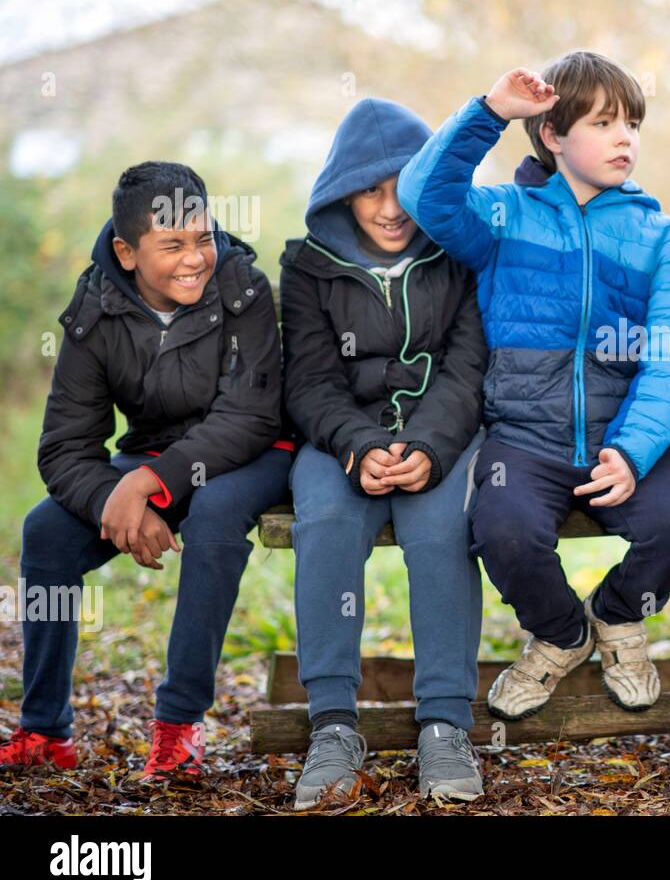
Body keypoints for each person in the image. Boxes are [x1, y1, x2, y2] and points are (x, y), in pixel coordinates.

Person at [397, 52, 670, 722]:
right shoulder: (503, 218)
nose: (625, 136)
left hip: (621, 437)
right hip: (524, 439)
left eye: (632, 122)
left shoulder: (659, 235)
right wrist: (488, 113)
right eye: (604, 122)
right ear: (552, 135)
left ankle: (617, 614)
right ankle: (563, 633)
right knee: (502, 530)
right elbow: (421, 195)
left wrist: (631, 451)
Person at [2, 162, 288, 780]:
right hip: (155, 455)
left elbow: (251, 415)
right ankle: (45, 729)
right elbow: (65, 446)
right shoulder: (95, 309)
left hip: (253, 454)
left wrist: (148, 484)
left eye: (203, 237)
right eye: (173, 246)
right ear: (127, 252)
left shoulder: (243, 288)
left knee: (212, 515)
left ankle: (180, 725)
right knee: (45, 533)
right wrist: (117, 499)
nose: (195, 258)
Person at [279, 97, 489, 807]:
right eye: (370, 188)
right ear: (343, 190)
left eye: (403, 183)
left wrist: (429, 445)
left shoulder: (456, 255)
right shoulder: (309, 266)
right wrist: (359, 444)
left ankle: (445, 725)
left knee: (442, 531)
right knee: (328, 523)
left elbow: (468, 368)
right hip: (340, 438)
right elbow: (307, 378)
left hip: (443, 433)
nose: (391, 205)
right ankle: (333, 725)